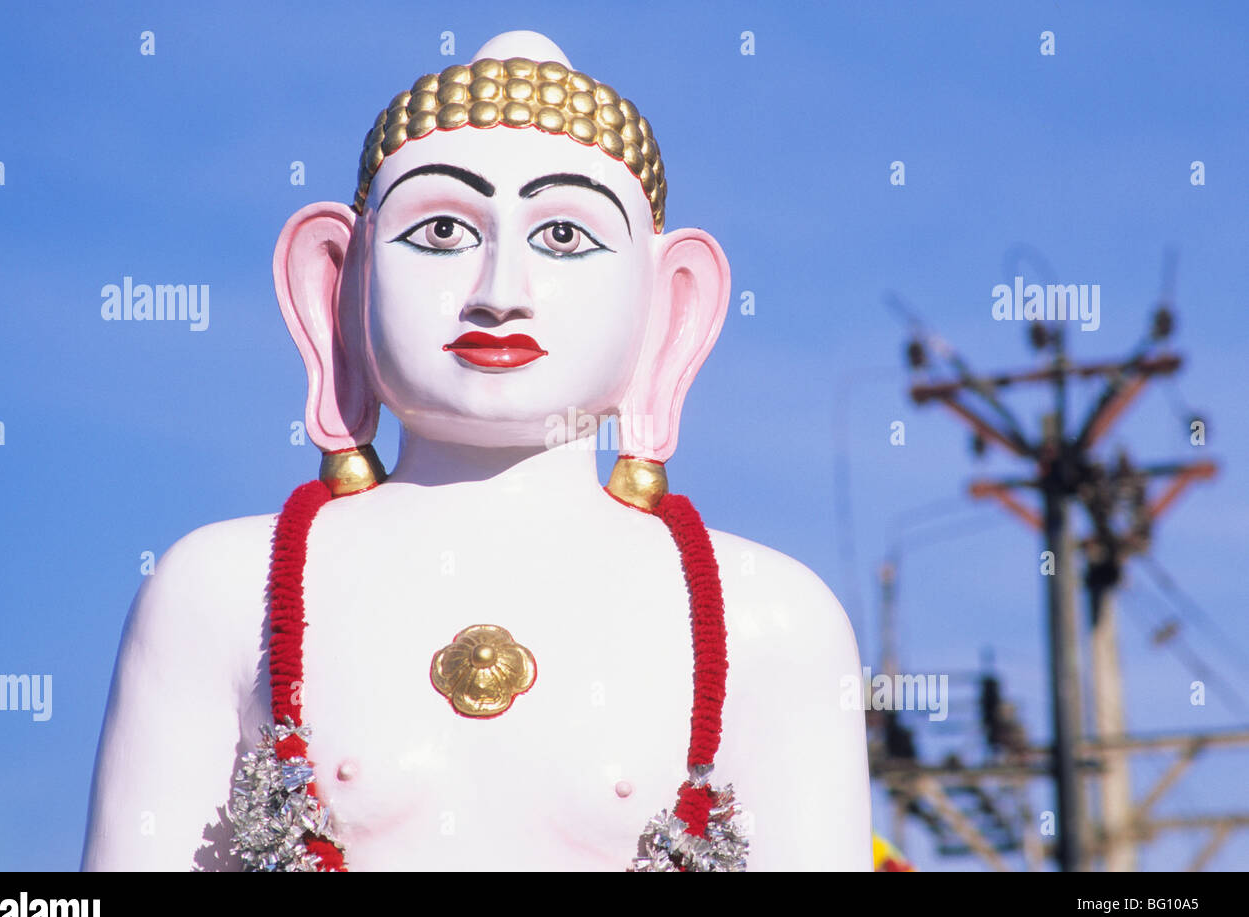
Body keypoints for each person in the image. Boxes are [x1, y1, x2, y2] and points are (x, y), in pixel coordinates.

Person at [81, 30, 871, 872]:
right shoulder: (220, 592)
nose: (500, 293)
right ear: (336, 282)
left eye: (564, 237)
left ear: (672, 301)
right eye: (444, 232)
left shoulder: (770, 620)